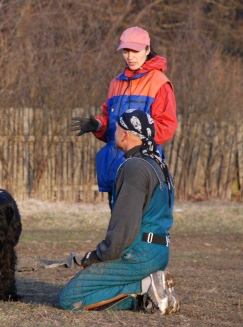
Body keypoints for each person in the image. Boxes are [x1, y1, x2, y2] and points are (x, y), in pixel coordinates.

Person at [58, 109, 180, 314]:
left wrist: (97, 257)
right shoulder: (158, 165)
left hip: (139, 254)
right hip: (158, 252)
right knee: (95, 283)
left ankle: (144, 289)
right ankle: (148, 289)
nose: (114, 132)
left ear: (125, 133)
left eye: (117, 128)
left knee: (70, 298)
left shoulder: (135, 167)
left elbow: (124, 229)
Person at [71, 26, 177, 208]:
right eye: (126, 51)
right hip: (115, 167)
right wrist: (97, 125)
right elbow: (110, 122)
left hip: (143, 167)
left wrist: (134, 142)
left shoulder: (159, 83)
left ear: (147, 50)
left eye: (135, 51)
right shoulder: (116, 83)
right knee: (119, 227)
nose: (130, 56)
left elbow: (166, 127)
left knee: (138, 228)